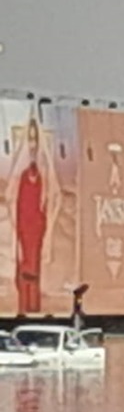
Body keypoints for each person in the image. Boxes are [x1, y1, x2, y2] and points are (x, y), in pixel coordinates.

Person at [5, 115, 61, 315]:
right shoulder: (20, 175)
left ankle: (33, 306)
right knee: (22, 268)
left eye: (35, 140)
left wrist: (49, 227)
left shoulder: (44, 175)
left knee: (35, 268)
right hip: (22, 227)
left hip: (37, 228)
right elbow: (11, 198)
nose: (32, 145)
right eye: (29, 139)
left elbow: (56, 197)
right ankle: (22, 307)